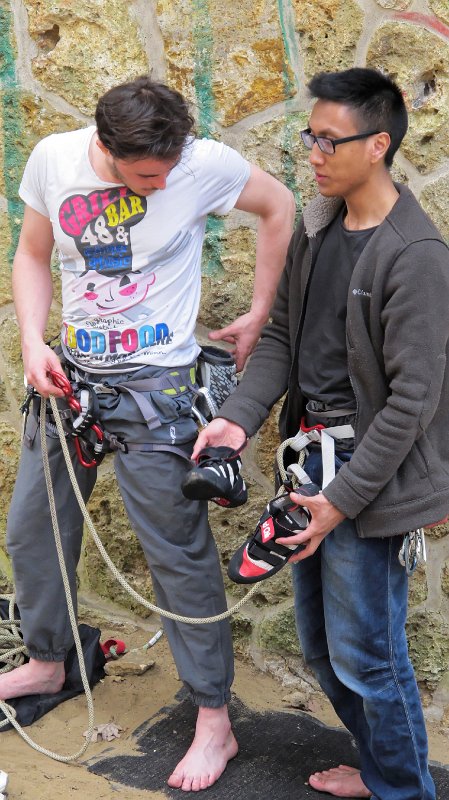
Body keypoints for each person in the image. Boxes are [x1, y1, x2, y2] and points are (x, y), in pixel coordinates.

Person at [2, 76, 296, 792]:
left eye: (167, 171)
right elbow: (33, 253)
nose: (162, 185)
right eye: (145, 177)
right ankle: (49, 663)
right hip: (71, 383)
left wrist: (261, 310)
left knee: (178, 555)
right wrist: (33, 341)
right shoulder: (53, 159)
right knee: (33, 531)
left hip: (156, 394)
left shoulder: (200, 163)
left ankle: (214, 718)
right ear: (106, 148)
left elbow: (278, 207)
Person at [193, 67, 449, 799]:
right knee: (321, 649)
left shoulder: (416, 256)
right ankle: (380, 770)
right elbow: (280, 335)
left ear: (378, 145)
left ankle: (402, 788)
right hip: (307, 467)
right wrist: (236, 420)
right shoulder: (318, 225)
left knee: (369, 659)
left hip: (366, 481)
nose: (313, 153)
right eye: (311, 136)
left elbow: (412, 404)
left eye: (329, 141)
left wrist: (341, 501)